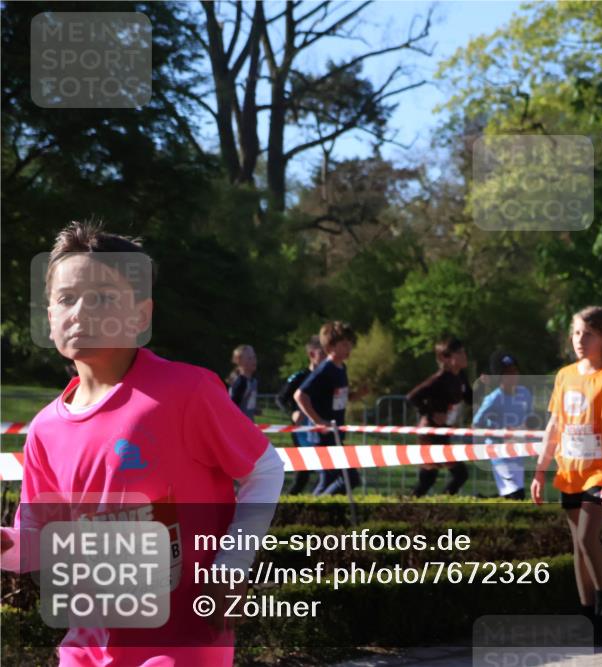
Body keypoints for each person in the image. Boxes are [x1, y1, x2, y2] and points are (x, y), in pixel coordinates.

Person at [0, 222, 284, 666]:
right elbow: (37, 542)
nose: (81, 311)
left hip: (181, 644)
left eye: (102, 298)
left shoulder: (185, 391)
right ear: (49, 316)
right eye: (66, 298)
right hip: (86, 648)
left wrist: (230, 568)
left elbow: (264, 470)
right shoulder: (43, 431)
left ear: (141, 316)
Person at [530, 306, 602, 644]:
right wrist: (539, 471)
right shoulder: (565, 375)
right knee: (577, 546)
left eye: (588, 334)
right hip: (571, 472)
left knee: (586, 537)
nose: (580, 339)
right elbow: (553, 427)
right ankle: (586, 612)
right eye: (577, 333)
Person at [294, 321, 362, 496]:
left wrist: (358, 394)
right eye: (344, 344)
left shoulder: (341, 368)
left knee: (329, 480)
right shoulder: (326, 368)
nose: (349, 348)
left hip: (336, 434)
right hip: (323, 437)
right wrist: (319, 422)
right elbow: (300, 395)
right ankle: (312, 512)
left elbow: (337, 398)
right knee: (348, 478)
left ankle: (312, 515)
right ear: (330, 347)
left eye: (350, 344)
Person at [407, 335, 473, 497]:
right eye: (460, 353)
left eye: (465, 352)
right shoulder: (439, 379)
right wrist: (430, 413)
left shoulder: (461, 377)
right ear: (447, 358)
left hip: (443, 431)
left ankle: (414, 503)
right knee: (459, 474)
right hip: (430, 432)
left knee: (430, 478)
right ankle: (440, 504)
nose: (465, 357)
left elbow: (471, 398)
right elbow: (412, 397)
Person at [473, 352, 533, 500]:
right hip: (499, 450)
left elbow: (530, 418)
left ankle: (481, 501)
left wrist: (521, 429)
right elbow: (476, 424)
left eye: (515, 371)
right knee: (516, 493)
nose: (513, 375)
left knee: (512, 493)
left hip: (517, 449)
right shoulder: (493, 399)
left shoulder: (525, 394)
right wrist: (499, 434)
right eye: (507, 373)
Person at [279, 336, 325, 495]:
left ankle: (310, 505)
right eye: (322, 353)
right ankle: (288, 508)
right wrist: (293, 413)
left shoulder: (328, 378)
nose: (326, 357)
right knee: (306, 474)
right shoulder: (299, 377)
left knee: (322, 473)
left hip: (321, 429)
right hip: (303, 432)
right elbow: (281, 398)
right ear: (312, 354)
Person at [227, 343, 258, 420]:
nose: (254, 360)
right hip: (238, 425)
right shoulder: (240, 382)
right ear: (239, 360)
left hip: (248, 424)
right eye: (249, 358)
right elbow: (232, 407)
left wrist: (253, 410)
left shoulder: (253, 381)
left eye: (254, 357)